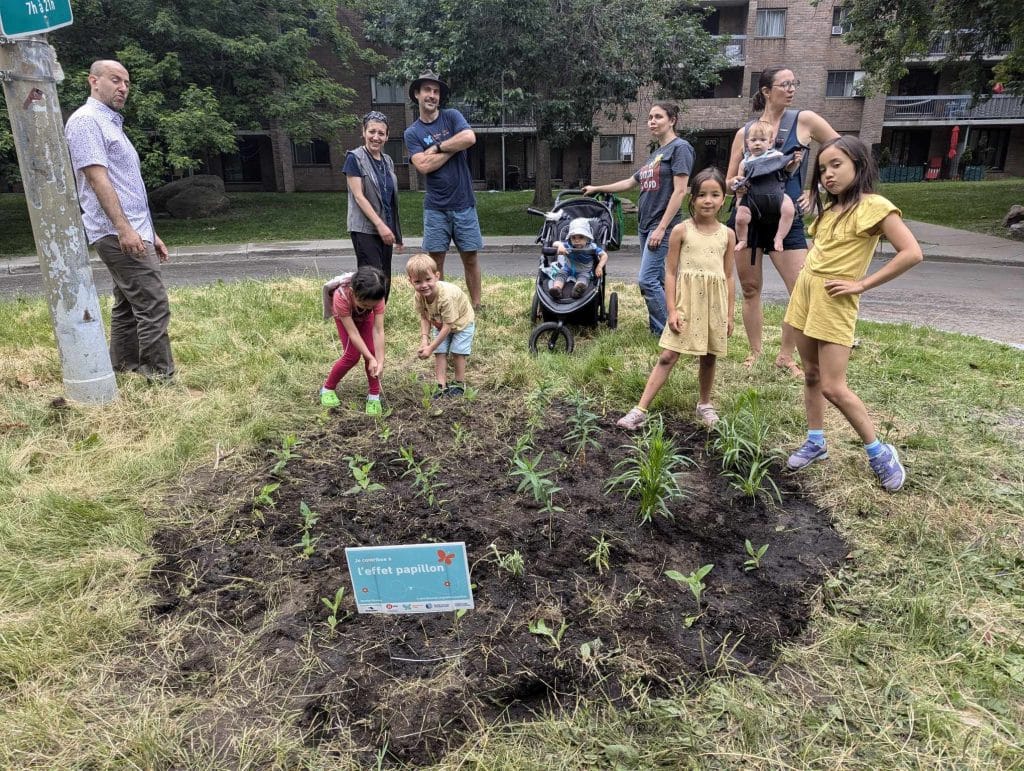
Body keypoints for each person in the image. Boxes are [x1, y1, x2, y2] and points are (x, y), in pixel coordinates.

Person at [783, 136, 923, 492]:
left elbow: (911, 252)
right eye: (823, 169)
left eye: (837, 165)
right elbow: (822, 249)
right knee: (811, 375)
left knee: (833, 386)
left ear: (859, 166)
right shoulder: (830, 211)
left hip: (835, 301)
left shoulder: (874, 206)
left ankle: (879, 452)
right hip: (806, 295)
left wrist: (861, 284)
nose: (828, 175)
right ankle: (816, 441)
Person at [726, 67, 840, 377]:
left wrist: (815, 189)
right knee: (750, 289)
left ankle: (786, 356)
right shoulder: (744, 132)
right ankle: (755, 352)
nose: (791, 89)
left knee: (801, 289)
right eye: (784, 84)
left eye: (794, 83)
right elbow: (728, 180)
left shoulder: (805, 121)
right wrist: (738, 184)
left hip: (786, 220)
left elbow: (842, 152)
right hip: (749, 218)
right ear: (766, 91)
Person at [64, 59, 174, 380]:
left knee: (127, 303)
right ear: (93, 81)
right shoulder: (86, 122)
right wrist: (124, 229)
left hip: (133, 231)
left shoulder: (110, 123)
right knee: (154, 305)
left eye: (126, 82)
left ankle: (123, 367)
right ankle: (158, 377)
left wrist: (150, 232)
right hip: (116, 232)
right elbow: (98, 180)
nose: (123, 88)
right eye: (115, 80)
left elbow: (128, 187)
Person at [617, 168, 736, 430]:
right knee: (668, 355)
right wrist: (671, 310)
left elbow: (728, 276)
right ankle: (640, 408)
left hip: (714, 305)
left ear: (723, 199)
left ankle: (704, 403)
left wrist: (729, 314)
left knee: (709, 355)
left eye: (715, 194)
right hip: (687, 303)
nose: (708, 200)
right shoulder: (681, 230)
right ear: (691, 199)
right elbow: (669, 273)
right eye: (702, 194)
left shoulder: (727, 234)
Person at [582, 102, 694, 334]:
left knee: (647, 280)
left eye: (658, 117)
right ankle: (657, 328)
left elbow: (680, 191)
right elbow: (630, 182)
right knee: (660, 280)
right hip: (646, 226)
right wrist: (597, 187)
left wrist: (662, 228)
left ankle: (668, 331)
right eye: (650, 117)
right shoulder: (655, 154)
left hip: (661, 225)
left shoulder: (680, 148)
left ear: (672, 120)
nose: (652, 121)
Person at [403, 71, 484, 309]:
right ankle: (443, 306)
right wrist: (454, 147)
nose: (432, 95)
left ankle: (476, 306)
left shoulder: (451, 116)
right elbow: (424, 166)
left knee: (470, 257)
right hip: (436, 208)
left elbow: (469, 137)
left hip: (464, 203)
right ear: (417, 94)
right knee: (435, 263)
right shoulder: (412, 133)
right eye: (427, 90)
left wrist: (439, 147)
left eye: (436, 91)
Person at [344, 111, 403, 302]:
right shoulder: (355, 158)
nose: (376, 137)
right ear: (364, 132)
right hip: (365, 229)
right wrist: (380, 225)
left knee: (385, 275)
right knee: (371, 278)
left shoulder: (387, 161)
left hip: (385, 229)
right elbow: (359, 197)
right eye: (372, 132)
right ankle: (363, 317)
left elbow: (390, 199)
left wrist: (397, 234)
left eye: (381, 133)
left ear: (387, 136)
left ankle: (380, 317)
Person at [406, 253, 476, 398]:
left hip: (461, 323)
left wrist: (430, 348)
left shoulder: (446, 297)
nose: (424, 285)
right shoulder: (419, 296)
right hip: (439, 323)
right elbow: (424, 317)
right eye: (418, 281)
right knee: (440, 352)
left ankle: (458, 383)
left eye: (428, 279)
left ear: (437, 276)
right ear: (410, 281)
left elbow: (448, 326)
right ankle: (441, 385)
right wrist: (425, 340)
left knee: (458, 352)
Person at [319, 266, 387, 414]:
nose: (369, 307)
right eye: (364, 304)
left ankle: (374, 396)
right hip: (346, 319)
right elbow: (353, 333)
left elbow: (378, 329)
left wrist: (379, 360)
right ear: (353, 291)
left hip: (365, 318)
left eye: (372, 305)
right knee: (352, 356)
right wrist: (369, 358)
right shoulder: (341, 296)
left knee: (373, 352)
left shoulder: (377, 295)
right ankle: (327, 389)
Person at [732, 120, 799, 255]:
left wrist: (795, 162)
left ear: (770, 143)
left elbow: (788, 171)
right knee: (740, 218)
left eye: (762, 140)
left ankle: (779, 237)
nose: (757, 143)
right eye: (753, 140)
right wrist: (739, 196)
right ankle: (743, 239)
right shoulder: (745, 162)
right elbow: (740, 181)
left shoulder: (777, 156)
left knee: (789, 210)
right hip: (752, 198)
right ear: (747, 143)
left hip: (777, 195)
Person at [548, 218, 608, 299]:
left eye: (581, 237)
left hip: (584, 271)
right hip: (568, 268)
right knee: (560, 275)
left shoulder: (592, 247)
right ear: (570, 238)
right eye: (573, 237)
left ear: (587, 238)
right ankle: (557, 289)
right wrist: (560, 246)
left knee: (583, 279)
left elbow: (604, 255)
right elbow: (555, 243)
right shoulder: (567, 245)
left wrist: (599, 266)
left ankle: (577, 290)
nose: (577, 240)